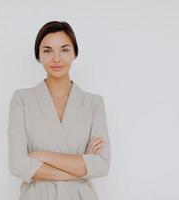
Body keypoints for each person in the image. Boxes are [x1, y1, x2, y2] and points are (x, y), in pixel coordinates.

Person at [7, 21, 111, 200]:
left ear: (74, 53)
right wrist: (81, 165)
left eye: (64, 50)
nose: (56, 58)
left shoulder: (93, 103)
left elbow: (101, 165)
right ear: (38, 55)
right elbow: (17, 164)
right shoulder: (22, 100)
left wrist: (41, 155)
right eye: (47, 51)